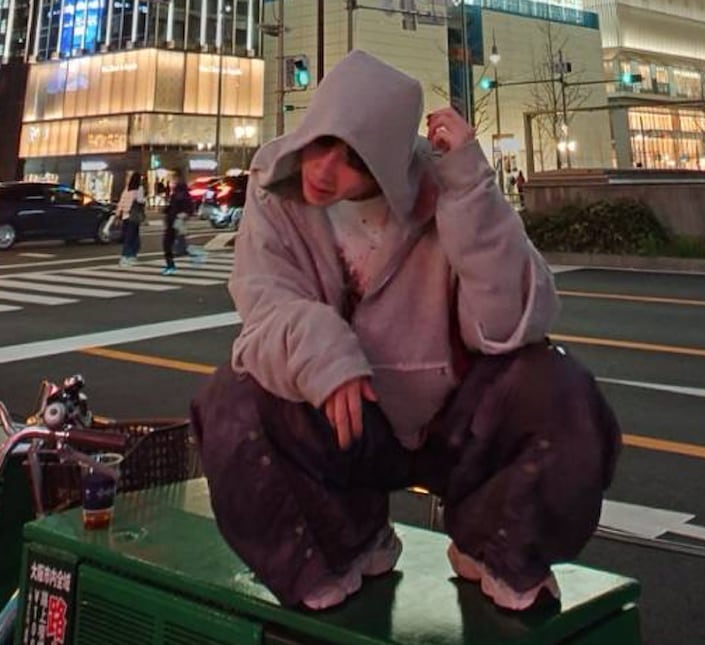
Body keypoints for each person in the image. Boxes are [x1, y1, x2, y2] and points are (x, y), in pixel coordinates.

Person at [192, 51, 620, 613]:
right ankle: (340, 543)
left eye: (353, 158)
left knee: (561, 389)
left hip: (456, 422)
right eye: (321, 144)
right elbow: (264, 301)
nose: (323, 171)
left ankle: (496, 547)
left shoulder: (443, 184)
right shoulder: (277, 184)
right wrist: (324, 354)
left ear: (389, 162)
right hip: (340, 419)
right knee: (234, 398)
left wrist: (471, 190)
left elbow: (511, 324)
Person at [161, 171, 203, 273]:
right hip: (173, 219)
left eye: (173, 178)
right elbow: (175, 205)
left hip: (177, 220)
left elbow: (186, 206)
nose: (172, 180)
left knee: (171, 243)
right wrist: (167, 210)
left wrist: (181, 214)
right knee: (176, 243)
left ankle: (172, 265)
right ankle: (171, 265)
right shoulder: (177, 191)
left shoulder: (181, 192)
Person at [115, 171, 145, 265]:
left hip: (125, 216)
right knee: (133, 237)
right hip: (134, 216)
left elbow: (121, 202)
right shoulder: (139, 189)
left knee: (128, 237)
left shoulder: (127, 189)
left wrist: (117, 214)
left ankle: (126, 256)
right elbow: (140, 201)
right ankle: (129, 256)